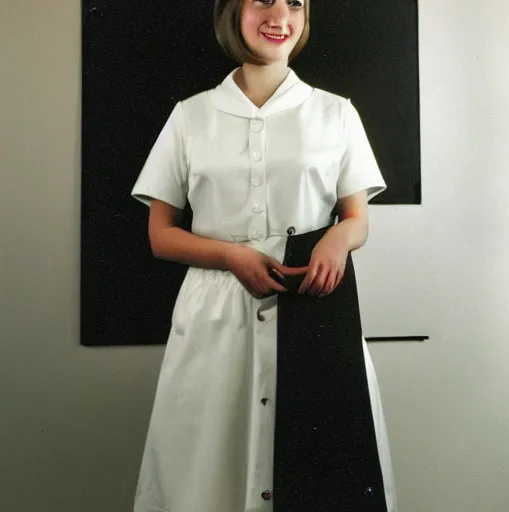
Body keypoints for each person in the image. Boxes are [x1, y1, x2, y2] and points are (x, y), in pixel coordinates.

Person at [130, 0, 397, 510]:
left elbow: (357, 218)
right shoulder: (191, 116)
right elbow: (161, 235)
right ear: (233, 11)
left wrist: (337, 240)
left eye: (294, 2)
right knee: (203, 473)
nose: (280, 14)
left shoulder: (336, 111)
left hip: (313, 307)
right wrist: (232, 256)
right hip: (215, 315)